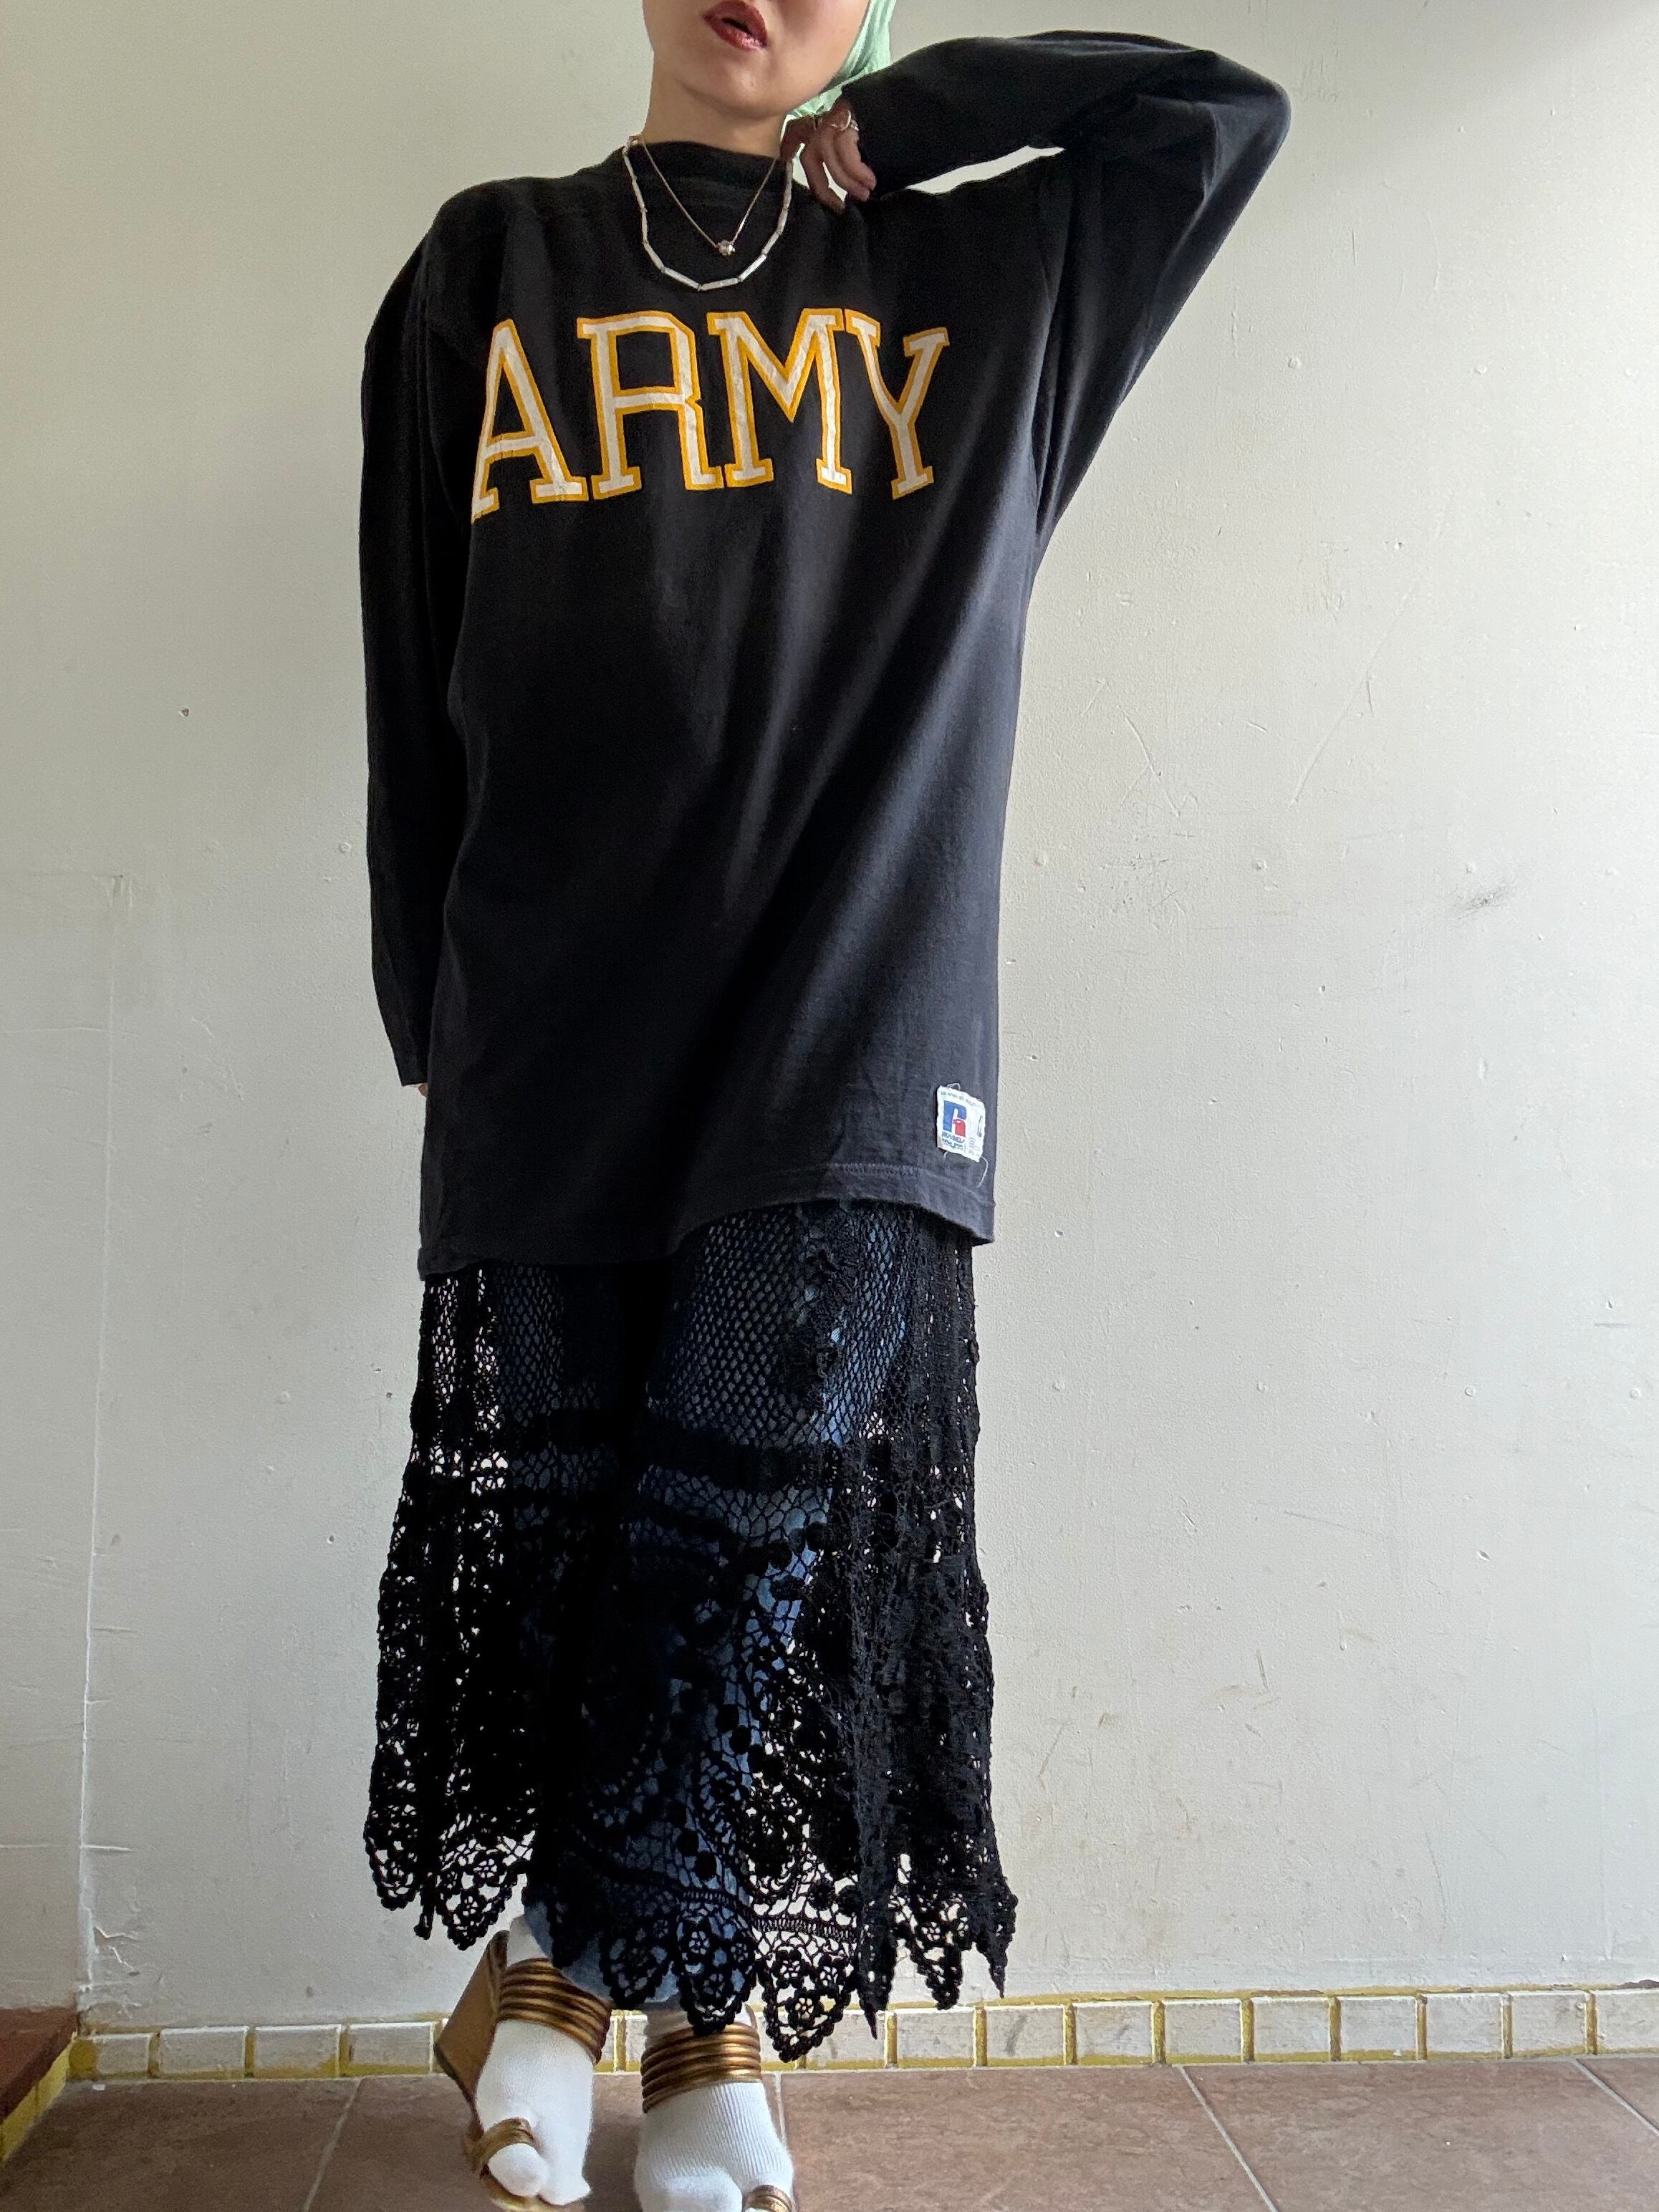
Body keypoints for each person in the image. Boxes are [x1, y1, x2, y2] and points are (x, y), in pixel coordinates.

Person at [357, 3, 1290, 2206]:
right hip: (554, 1009)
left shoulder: (992, 280)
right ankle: (706, 2035)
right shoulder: (489, 264)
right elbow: (411, 666)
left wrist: (916, 113)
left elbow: (1216, 115)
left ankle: (556, 1971)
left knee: (749, 1526)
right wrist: (431, 1014)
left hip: (858, 1013)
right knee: (588, 1531)